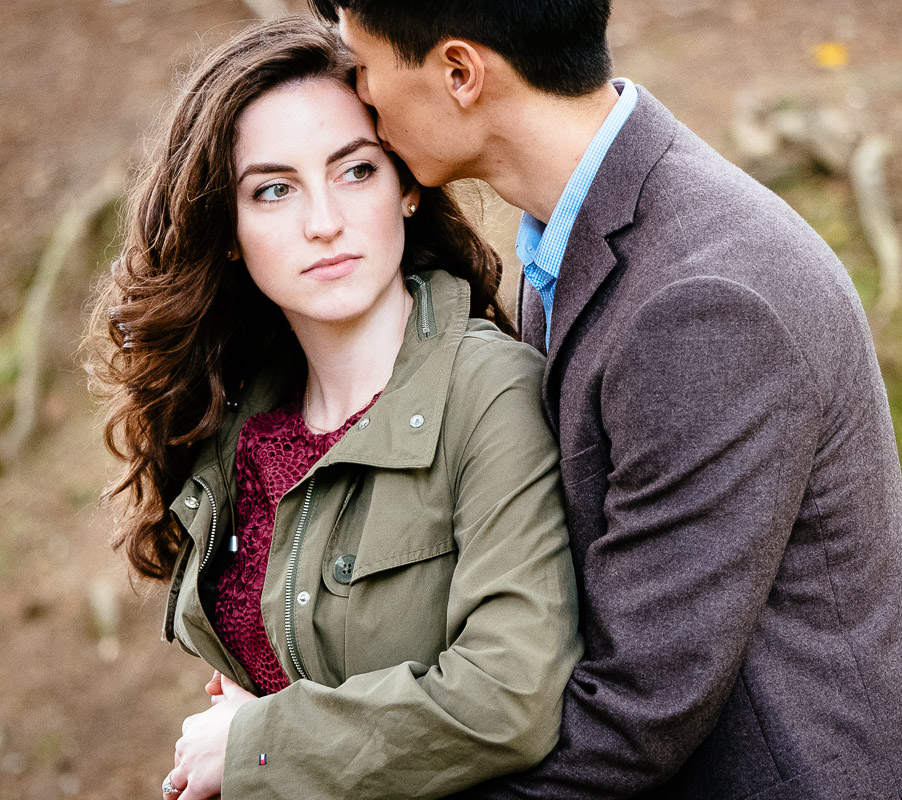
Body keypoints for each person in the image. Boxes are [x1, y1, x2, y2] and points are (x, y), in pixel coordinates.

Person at [311, 2, 902, 798]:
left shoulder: (706, 303)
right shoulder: (569, 238)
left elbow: (634, 714)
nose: (362, 95)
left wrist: (310, 775)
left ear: (460, 73)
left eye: (364, 65)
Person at [86, 15, 581, 800]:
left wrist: (257, 747)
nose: (324, 223)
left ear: (408, 185)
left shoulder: (491, 392)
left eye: (355, 171)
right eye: (275, 190)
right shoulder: (234, 419)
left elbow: (509, 697)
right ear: (231, 233)